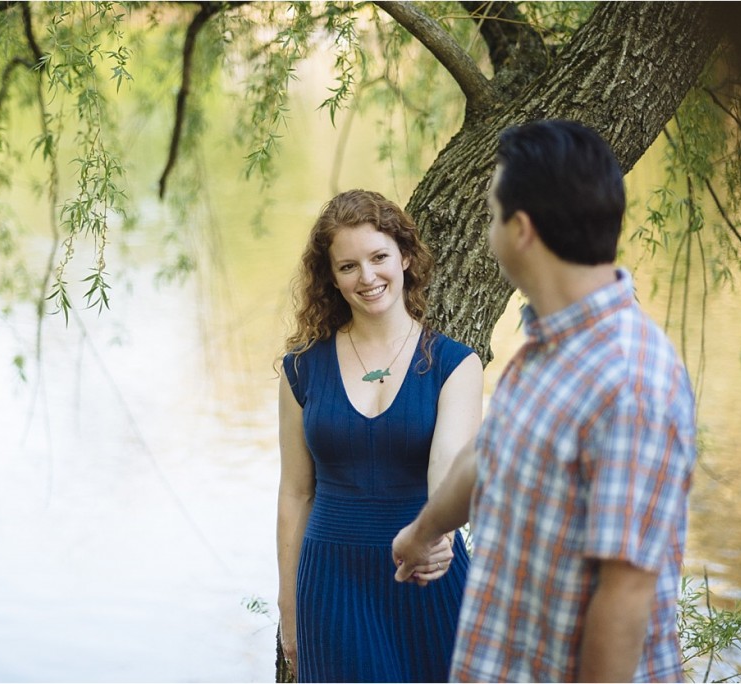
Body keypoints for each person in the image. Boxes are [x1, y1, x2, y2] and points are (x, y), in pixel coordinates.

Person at [392, 120, 698, 682]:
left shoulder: (632, 382)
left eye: (492, 216)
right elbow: (485, 459)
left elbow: (624, 596)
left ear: (522, 229)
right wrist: (423, 532)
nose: (488, 233)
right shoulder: (544, 347)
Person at [276, 189, 483, 682]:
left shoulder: (455, 364)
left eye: (379, 258)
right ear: (331, 277)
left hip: (428, 573)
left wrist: (436, 534)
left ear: (405, 257)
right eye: (348, 266)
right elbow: (295, 493)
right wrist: (288, 605)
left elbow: (448, 474)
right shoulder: (301, 368)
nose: (367, 277)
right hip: (332, 584)